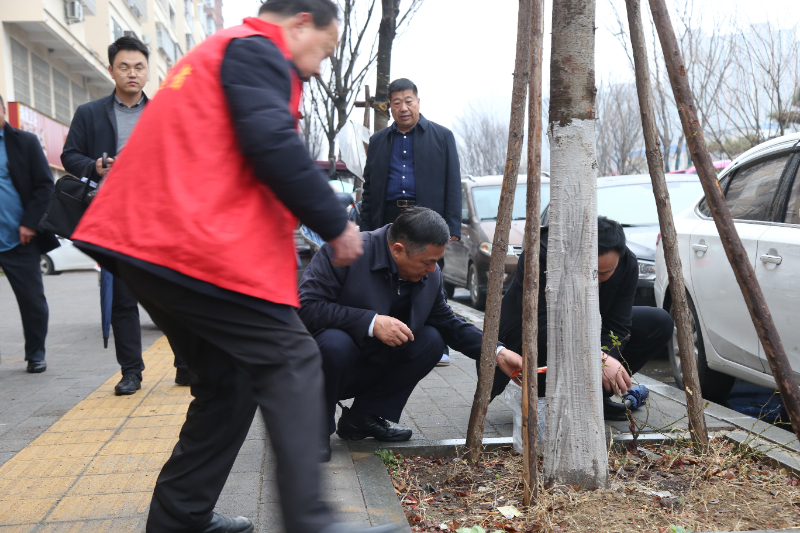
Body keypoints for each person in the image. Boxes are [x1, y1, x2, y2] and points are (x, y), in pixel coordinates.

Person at [71, 1, 400, 532]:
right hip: (189, 243)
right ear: (299, 24)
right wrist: (335, 222)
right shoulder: (256, 52)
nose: (319, 65)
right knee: (292, 358)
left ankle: (181, 518)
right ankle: (310, 521)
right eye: (326, 49)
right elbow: (269, 142)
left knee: (229, 383)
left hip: (150, 244)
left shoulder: (220, 53)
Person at [298, 208, 523, 460]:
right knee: (335, 342)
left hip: (372, 363)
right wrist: (371, 322)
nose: (432, 269)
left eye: (437, 261)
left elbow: (448, 323)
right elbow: (306, 306)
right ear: (397, 249)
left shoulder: (431, 274)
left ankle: (362, 417)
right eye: (427, 262)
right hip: (323, 366)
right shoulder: (343, 252)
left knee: (431, 340)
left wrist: (498, 352)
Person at [61, 36, 188, 394]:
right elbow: (70, 155)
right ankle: (131, 371)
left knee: (172, 293)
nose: (132, 73)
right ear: (111, 70)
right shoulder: (90, 113)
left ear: (148, 70)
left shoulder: (163, 111)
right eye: (124, 66)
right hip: (113, 216)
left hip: (161, 216)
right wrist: (96, 166)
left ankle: (185, 364)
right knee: (122, 298)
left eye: (139, 66)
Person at [491, 216, 674, 420]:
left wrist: (603, 364)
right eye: (591, 271)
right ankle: (548, 392)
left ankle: (593, 395)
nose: (595, 278)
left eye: (605, 273)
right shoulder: (542, 254)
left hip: (587, 330)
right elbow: (539, 327)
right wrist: (595, 356)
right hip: (527, 341)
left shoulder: (627, 263)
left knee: (658, 321)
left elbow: (617, 327)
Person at [360, 78, 462, 366]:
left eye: (408, 101)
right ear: (390, 107)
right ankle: (387, 335)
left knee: (431, 278)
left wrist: (452, 226)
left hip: (428, 217)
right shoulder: (379, 141)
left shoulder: (442, 136)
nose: (403, 108)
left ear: (418, 101)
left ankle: (438, 342)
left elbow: (453, 183)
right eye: (396, 103)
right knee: (384, 276)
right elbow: (369, 189)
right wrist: (365, 228)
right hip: (389, 217)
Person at [0, 94, 59, 374]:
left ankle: (35, 354)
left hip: (19, 239)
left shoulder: (24, 142)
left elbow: (45, 185)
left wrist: (30, 223)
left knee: (33, 302)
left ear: (3, 110)